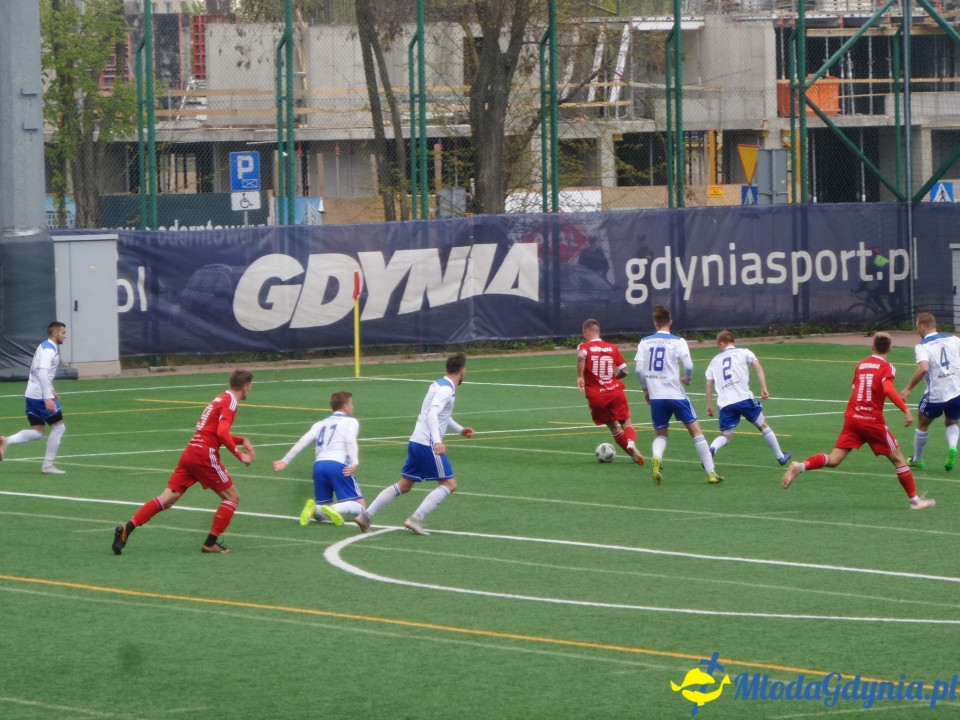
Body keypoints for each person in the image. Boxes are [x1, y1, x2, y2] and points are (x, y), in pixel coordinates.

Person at [782, 333, 935, 510]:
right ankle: (915, 501)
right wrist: (905, 409)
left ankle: (801, 466)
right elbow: (888, 389)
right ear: (890, 349)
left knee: (834, 459)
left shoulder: (861, 364)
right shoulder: (887, 368)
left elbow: (856, 389)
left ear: (873, 347)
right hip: (872, 422)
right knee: (899, 459)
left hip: (853, 418)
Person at [112, 369, 256, 555]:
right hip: (204, 455)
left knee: (166, 499)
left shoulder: (220, 399)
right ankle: (210, 543)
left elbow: (213, 431)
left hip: (191, 453)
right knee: (232, 498)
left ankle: (126, 529)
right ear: (245, 387)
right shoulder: (230, 403)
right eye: (250, 386)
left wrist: (241, 440)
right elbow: (221, 433)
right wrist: (239, 454)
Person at [354, 353, 474, 536]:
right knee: (450, 484)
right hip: (427, 444)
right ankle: (416, 518)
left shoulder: (438, 384)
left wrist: (460, 430)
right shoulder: (446, 390)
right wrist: (437, 441)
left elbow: (441, 415)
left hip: (416, 441)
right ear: (462, 371)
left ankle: (366, 516)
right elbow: (432, 414)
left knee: (404, 485)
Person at [635, 305, 723, 485]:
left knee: (661, 435)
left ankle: (657, 459)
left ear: (655, 322)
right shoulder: (678, 341)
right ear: (670, 321)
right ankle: (711, 473)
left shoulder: (645, 342)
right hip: (675, 394)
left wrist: (645, 389)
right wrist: (688, 377)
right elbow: (689, 365)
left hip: (657, 396)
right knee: (696, 431)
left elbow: (638, 369)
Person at [273, 390, 366, 527]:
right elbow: (350, 440)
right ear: (345, 406)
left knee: (323, 512)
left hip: (319, 467)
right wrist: (354, 461)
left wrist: (285, 461)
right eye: (351, 404)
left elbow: (303, 441)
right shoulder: (350, 422)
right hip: (338, 465)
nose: (353, 406)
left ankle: (315, 509)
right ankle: (334, 509)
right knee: (361, 506)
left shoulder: (320, 424)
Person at [704, 330, 791, 466]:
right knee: (763, 426)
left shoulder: (714, 361)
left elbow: (709, 383)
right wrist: (764, 388)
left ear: (721, 343)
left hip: (726, 404)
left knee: (726, 436)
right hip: (743, 399)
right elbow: (758, 367)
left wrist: (709, 405)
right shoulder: (744, 352)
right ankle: (780, 456)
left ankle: (712, 449)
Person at [0, 321, 69, 474]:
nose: (65, 336)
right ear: (55, 333)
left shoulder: (44, 346)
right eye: (63, 333)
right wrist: (48, 397)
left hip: (31, 394)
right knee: (59, 428)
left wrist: (51, 389)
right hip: (40, 397)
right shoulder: (49, 350)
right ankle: (47, 465)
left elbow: (41, 373)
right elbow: (43, 373)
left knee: (38, 431)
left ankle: (7, 441)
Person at [577, 319, 645, 466]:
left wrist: (579, 376)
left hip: (596, 396)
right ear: (598, 331)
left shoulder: (584, 347)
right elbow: (625, 371)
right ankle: (631, 443)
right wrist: (613, 378)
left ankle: (632, 454)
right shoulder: (612, 348)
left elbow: (581, 356)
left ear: (587, 332)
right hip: (615, 392)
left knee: (614, 428)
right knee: (627, 423)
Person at [900, 312, 960, 471]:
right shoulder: (954, 339)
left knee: (922, 424)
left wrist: (908, 388)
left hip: (936, 395)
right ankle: (952, 447)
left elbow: (924, 368)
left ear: (921, 328)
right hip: (956, 392)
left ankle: (917, 460)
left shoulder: (922, 346)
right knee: (952, 422)